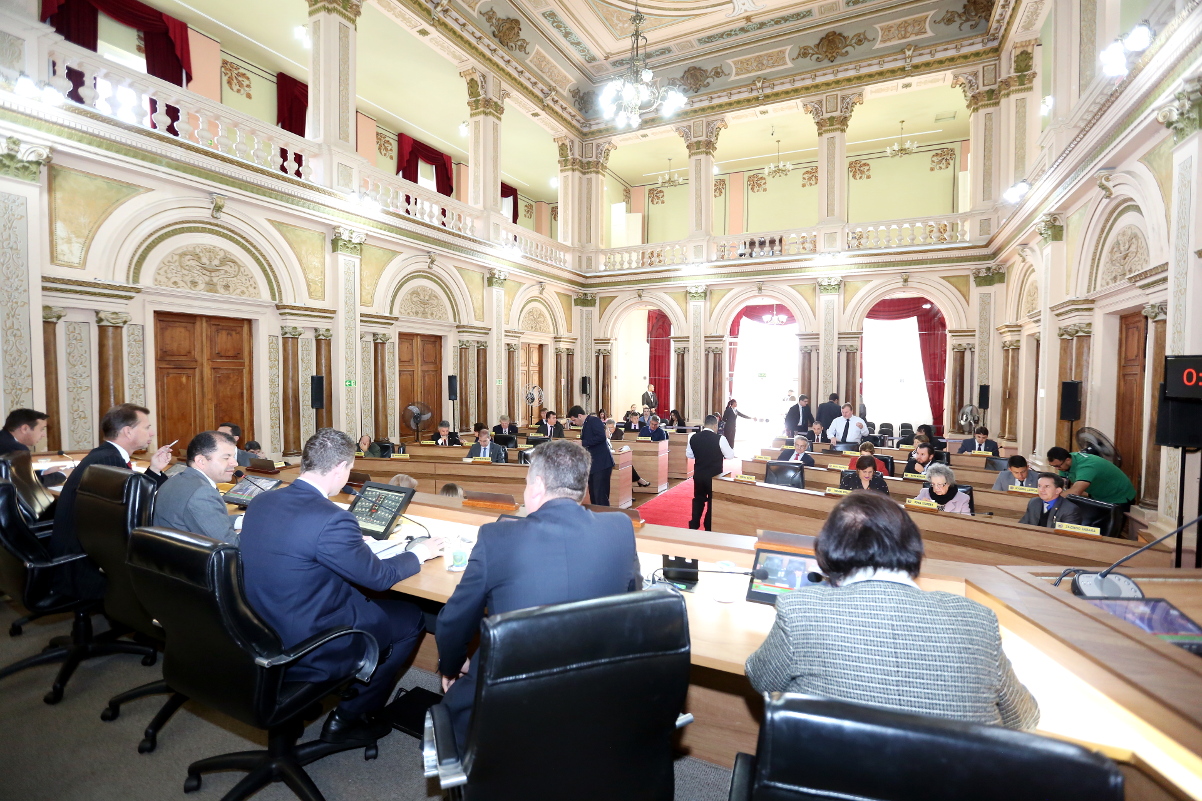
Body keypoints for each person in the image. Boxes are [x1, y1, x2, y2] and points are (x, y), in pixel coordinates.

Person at [745, 491, 1039, 731]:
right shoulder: (977, 619)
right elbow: (1023, 719)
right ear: (912, 544)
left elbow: (761, 680)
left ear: (827, 548)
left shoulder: (801, 609)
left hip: (834, 780)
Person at [240, 428, 443, 746]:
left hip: (259, 627)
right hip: (311, 637)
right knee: (410, 618)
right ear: (339, 469)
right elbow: (379, 578)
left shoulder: (264, 500)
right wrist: (418, 553)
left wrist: (348, 546)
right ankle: (348, 717)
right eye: (348, 469)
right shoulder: (333, 519)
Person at [436, 439, 640, 750]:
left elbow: (453, 621)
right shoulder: (620, 528)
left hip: (508, 702)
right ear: (584, 490)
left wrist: (452, 666)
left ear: (538, 485)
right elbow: (633, 607)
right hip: (594, 693)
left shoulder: (497, 537)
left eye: (527, 479)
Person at [50, 403, 172, 600]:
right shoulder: (110, 461)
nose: (152, 433)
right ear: (128, 431)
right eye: (147, 427)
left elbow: (133, 498)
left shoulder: (104, 454)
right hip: (83, 565)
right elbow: (132, 514)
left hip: (78, 554)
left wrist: (154, 470)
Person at [153, 431, 242, 545]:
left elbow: (206, 521)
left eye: (233, 457)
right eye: (226, 457)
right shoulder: (202, 493)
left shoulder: (177, 479)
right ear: (201, 461)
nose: (234, 463)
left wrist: (242, 521)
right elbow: (231, 545)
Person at [688, 414, 738, 531]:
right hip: (714, 476)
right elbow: (730, 455)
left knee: (698, 499)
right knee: (712, 501)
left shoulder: (693, 437)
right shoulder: (720, 439)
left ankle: (694, 524)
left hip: (699, 475)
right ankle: (708, 526)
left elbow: (689, 455)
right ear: (715, 426)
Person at [1047, 447, 1136, 510]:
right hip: (1098, 495)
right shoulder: (1065, 463)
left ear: (1068, 460)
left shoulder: (1086, 466)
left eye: (1058, 466)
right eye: (1053, 466)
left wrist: (1051, 500)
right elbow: (1060, 485)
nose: (1057, 469)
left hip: (1119, 497)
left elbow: (1075, 492)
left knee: (1107, 531)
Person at [0, 408, 65, 485]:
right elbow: (29, 485)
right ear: (25, 429)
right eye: (41, 429)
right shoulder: (16, 449)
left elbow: (20, 476)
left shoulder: (3, 439)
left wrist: (44, 472)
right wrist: (63, 474)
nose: (43, 434)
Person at [570, 405, 613, 506]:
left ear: (580, 416)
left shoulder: (594, 420)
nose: (574, 423)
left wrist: (583, 442)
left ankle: (603, 518)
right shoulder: (586, 424)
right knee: (594, 495)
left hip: (601, 465)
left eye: (574, 420)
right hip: (593, 465)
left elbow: (601, 437)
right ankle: (596, 518)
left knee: (600, 496)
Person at [1019, 473, 1085, 528]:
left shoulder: (1070, 510)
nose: (1041, 490)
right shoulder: (1034, 502)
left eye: (1047, 486)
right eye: (1039, 486)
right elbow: (1023, 525)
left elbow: (1068, 538)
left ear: (1057, 490)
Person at [605, 418, 650, 487]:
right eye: (608, 429)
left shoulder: (618, 433)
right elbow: (605, 451)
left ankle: (635, 485)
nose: (610, 431)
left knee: (627, 465)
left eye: (611, 428)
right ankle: (639, 480)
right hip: (609, 461)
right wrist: (614, 451)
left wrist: (615, 451)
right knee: (627, 465)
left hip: (614, 457)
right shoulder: (603, 440)